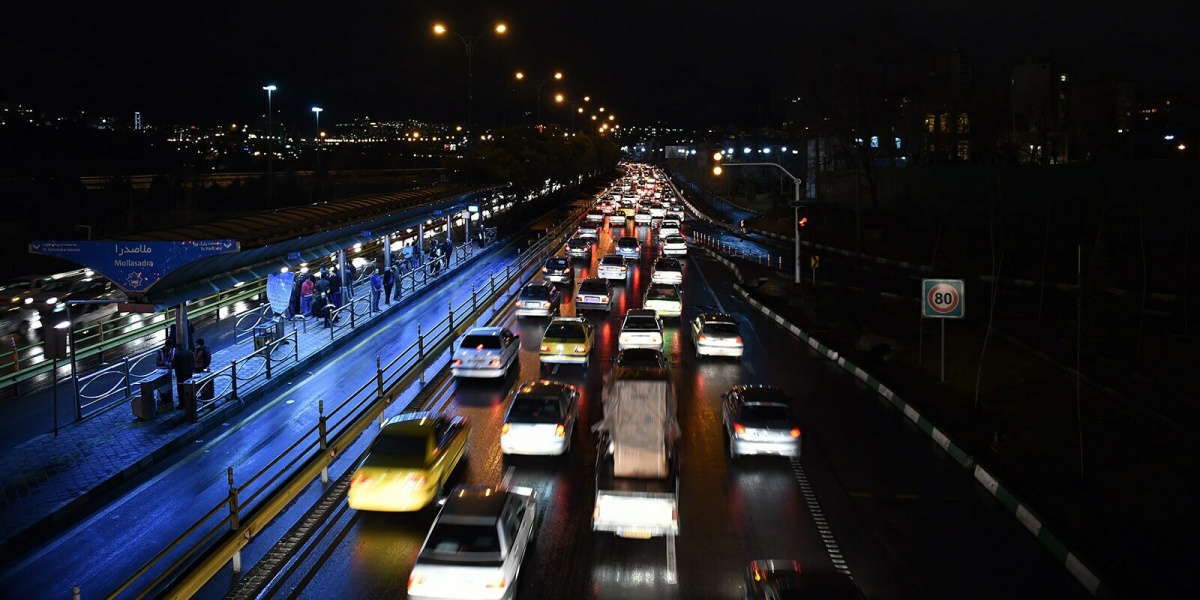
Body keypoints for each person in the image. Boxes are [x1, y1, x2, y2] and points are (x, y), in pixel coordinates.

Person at [171, 343, 195, 409]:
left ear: (177, 348)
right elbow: (193, 361)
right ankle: (190, 401)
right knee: (189, 387)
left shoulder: (177, 355)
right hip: (189, 373)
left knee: (181, 389)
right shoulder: (190, 352)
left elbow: (173, 365)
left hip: (181, 374)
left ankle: (182, 404)